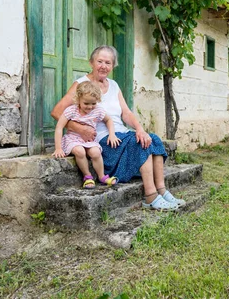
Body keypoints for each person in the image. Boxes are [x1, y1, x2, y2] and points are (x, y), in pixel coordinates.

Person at [51, 45, 185, 211]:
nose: (103, 66)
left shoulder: (113, 85)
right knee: (138, 144)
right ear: (91, 62)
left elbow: (126, 113)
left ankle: (162, 191)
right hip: (104, 142)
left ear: (113, 66)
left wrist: (139, 128)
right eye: (100, 61)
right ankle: (150, 196)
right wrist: (79, 129)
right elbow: (57, 112)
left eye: (108, 62)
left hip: (121, 135)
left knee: (152, 139)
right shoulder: (81, 85)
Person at [52, 81, 120, 189]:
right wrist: (58, 148)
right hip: (73, 139)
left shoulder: (98, 110)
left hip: (89, 140)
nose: (90, 107)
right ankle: (87, 176)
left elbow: (108, 120)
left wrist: (112, 135)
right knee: (80, 151)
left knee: (96, 152)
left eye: (93, 103)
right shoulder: (71, 110)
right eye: (86, 103)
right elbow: (59, 127)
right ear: (78, 99)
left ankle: (102, 176)